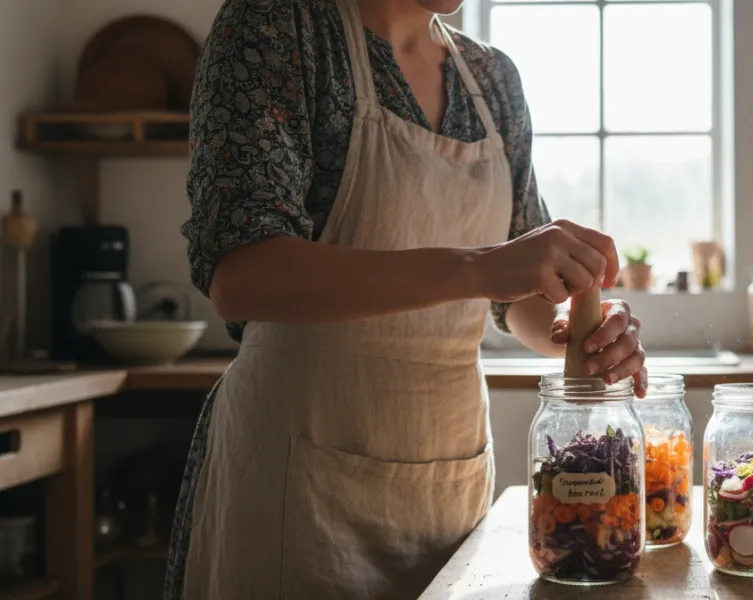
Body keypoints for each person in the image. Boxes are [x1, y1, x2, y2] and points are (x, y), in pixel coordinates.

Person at [164, 0, 647, 597]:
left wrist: (584, 326)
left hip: (448, 486)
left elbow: (520, 298)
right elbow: (243, 274)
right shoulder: (276, 25)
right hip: (296, 483)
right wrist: (479, 266)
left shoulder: (492, 79)